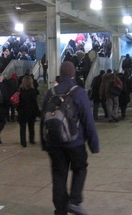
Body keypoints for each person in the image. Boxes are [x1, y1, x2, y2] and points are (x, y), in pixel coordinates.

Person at [41, 61, 99, 215]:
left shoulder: (50, 92)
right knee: (80, 168)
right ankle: (74, 201)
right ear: (73, 74)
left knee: (59, 175)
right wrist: (94, 144)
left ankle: (60, 210)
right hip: (75, 142)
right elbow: (88, 119)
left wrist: (44, 143)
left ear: (60, 74)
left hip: (54, 143)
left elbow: (43, 119)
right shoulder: (78, 92)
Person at [17, 75, 39, 147]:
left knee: (22, 127)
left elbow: (18, 102)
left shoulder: (20, 91)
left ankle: (23, 142)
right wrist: (37, 111)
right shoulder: (33, 91)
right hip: (31, 111)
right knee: (31, 126)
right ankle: (31, 139)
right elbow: (35, 102)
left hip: (22, 111)